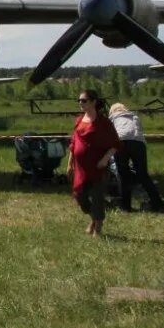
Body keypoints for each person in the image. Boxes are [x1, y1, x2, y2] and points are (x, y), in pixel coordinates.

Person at [72, 89, 120, 237]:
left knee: (97, 197)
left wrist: (105, 159)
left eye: (84, 100)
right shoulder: (79, 120)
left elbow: (116, 144)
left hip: (98, 167)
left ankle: (98, 226)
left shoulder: (104, 122)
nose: (81, 103)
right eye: (79, 100)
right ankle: (94, 218)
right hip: (81, 168)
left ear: (93, 102)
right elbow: (74, 143)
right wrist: (70, 163)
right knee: (80, 197)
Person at [110, 103, 164, 212]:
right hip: (138, 143)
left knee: (123, 175)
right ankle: (158, 203)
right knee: (143, 175)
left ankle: (126, 207)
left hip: (121, 142)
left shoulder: (113, 118)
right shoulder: (134, 116)